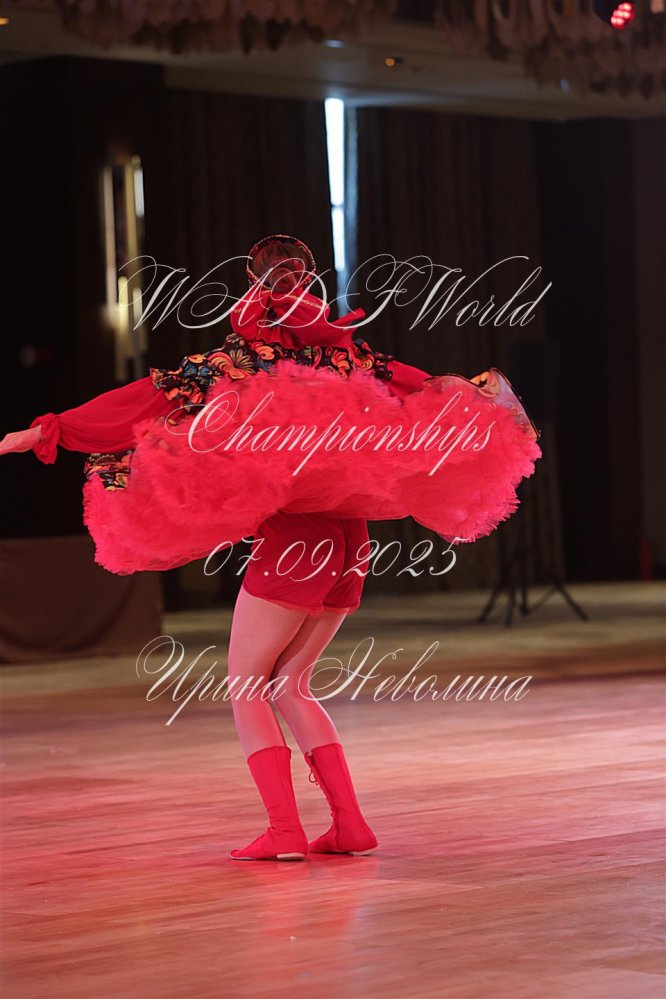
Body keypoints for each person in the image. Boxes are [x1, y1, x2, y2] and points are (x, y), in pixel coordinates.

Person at [0, 234, 541, 861]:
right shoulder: (351, 356)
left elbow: (150, 398)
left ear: (252, 281)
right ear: (310, 279)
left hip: (297, 538)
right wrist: (491, 410)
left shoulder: (246, 357)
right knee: (291, 684)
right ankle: (349, 826)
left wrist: (53, 429)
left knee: (247, 685)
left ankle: (285, 831)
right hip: (351, 542)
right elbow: (428, 392)